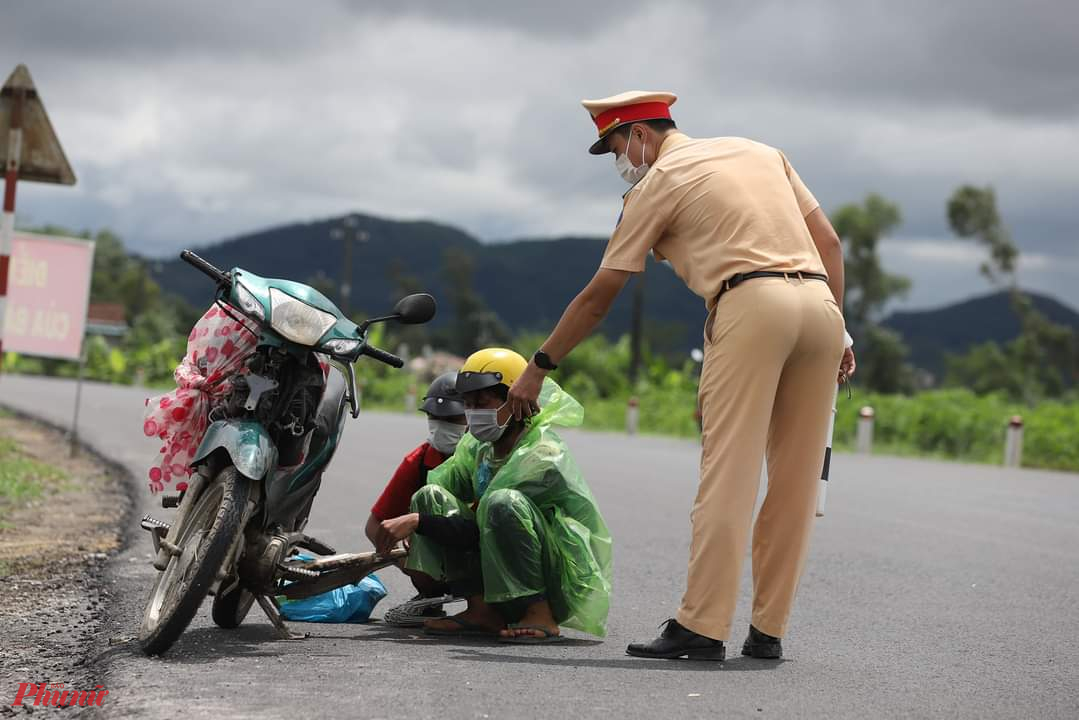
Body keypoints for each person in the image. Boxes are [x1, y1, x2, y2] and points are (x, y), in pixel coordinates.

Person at [506, 90, 856, 661]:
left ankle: (703, 626)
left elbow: (600, 296)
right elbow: (831, 244)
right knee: (794, 484)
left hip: (751, 305)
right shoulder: (760, 151)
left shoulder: (656, 183)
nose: (620, 160)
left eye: (617, 146)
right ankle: (768, 632)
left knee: (729, 475)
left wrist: (538, 366)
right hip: (819, 306)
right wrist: (840, 329)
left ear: (641, 135)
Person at [379, 348, 612, 643]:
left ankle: (540, 614)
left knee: (501, 502)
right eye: (468, 403)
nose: (473, 411)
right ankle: (481, 610)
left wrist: (418, 522)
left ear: (516, 399)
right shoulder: (480, 449)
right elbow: (445, 504)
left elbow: (479, 529)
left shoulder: (540, 454)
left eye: (483, 401)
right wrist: (418, 524)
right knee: (431, 496)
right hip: (498, 568)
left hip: (554, 579)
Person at [365, 372, 466, 600]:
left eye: (452, 420)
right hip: (444, 556)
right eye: (434, 418)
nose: (441, 427)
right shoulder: (419, 461)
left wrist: (418, 522)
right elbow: (375, 526)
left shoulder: (489, 457)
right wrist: (413, 564)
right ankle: (432, 592)